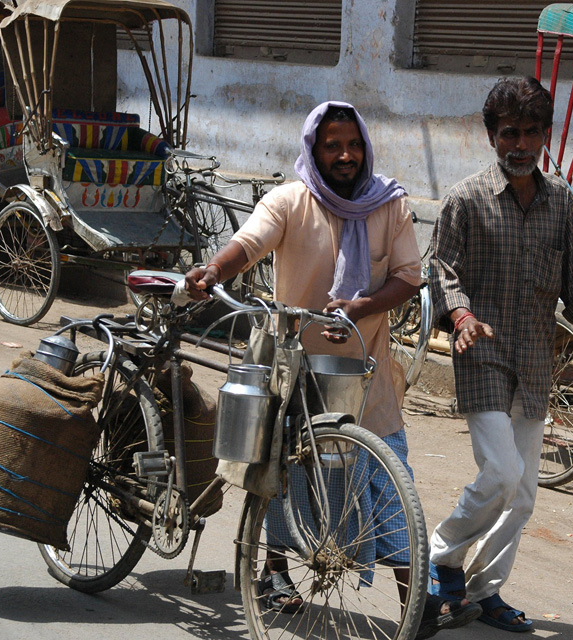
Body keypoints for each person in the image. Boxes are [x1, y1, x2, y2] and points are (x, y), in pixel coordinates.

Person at [184, 101, 480, 639]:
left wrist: (359, 306)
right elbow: (247, 245)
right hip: (292, 365)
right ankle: (274, 570)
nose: (345, 155)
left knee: (392, 484)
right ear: (313, 150)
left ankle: (415, 602)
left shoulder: (389, 204)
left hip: (366, 373)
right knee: (282, 472)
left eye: (354, 144)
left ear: (365, 146)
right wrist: (213, 269)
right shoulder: (290, 202)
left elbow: (411, 277)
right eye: (332, 145)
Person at [427, 77, 573, 633]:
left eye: (532, 132)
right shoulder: (465, 200)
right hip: (483, 352)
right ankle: (441, 554)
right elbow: (441, 271)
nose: (521, 144)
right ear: (490, 136)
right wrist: (460, 317)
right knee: (503, 471)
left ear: (544, 136)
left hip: (537, 357)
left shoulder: (560, 201)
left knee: (525, 493)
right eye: (510, 132)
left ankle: (486, 592)